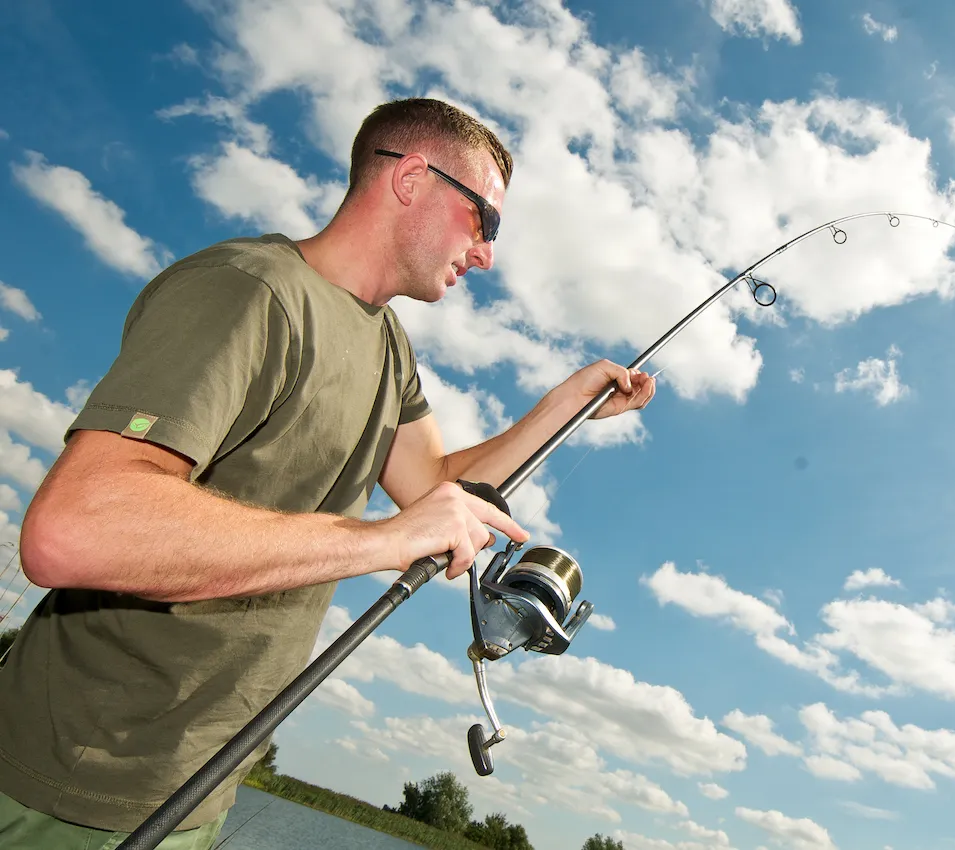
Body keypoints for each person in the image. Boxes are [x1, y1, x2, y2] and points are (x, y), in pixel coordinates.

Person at [0, 97, 656, 849]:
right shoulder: (249, 289)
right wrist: (381, 541)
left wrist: (566, 405)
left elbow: (435, 484)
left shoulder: (386, 346)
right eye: (485, 221)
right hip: (65, 789)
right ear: (412, 178)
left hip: (194, 793)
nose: (486, 254)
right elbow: (74, 530)